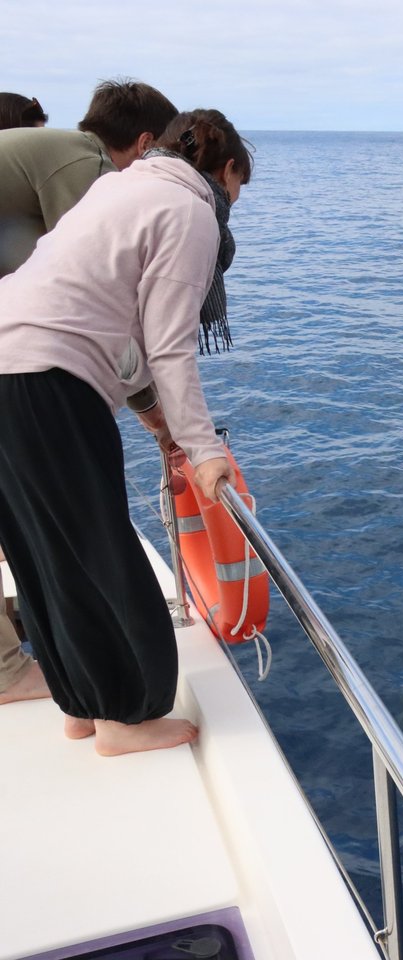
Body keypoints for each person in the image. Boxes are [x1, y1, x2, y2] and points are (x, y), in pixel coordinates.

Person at [0, 108, 252, 756]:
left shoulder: (118, 187)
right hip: (48, 379)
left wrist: (163, 427)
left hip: (10, 360)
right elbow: (169, 346)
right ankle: (124, 717)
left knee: (42, 553)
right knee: (101, 553)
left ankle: (81, 707)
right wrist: (202, 448)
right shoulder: (192, 212)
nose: (232, 206)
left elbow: (118, 329)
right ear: (224, 171)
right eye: (237, 192)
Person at [0, 79, 177, 707]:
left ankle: (34, 674)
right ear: (147, 144)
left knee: (26, 531)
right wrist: (162, 420)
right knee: (84, 537)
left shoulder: (34, 163)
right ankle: (109, 704)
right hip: (27, 374)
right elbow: (89, 296)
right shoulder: (85, 163)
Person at [0, 79, 177, 276]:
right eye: (167, 154)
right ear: (146, 143)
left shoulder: (69, 149)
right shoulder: (89, 162)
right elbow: (90, 261)